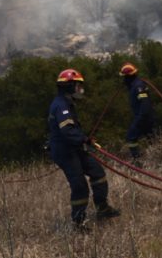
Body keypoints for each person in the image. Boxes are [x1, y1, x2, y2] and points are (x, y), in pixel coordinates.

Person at [47, 68, 121, 231]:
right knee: (80, 186)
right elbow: (67, 131)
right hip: (65, 151)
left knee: (98, 173)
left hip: (76, 147)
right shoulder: (61, 106)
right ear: (69, 86)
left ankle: (102, 209)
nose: (80, 89)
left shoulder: (67, 102)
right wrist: (84, 139)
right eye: (78, 85)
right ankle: (78, 222)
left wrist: (84, 141)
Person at [119, 62, 154, 164]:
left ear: (128, 77)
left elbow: (145, 105)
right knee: (151, 138)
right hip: (144, 117)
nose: (123, 80)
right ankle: (157, 157)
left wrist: (140, 119)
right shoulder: (135, 85)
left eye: (124, 77)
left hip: (143, 118)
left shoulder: (138, 86)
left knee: (131, 137)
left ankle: (137, 161)